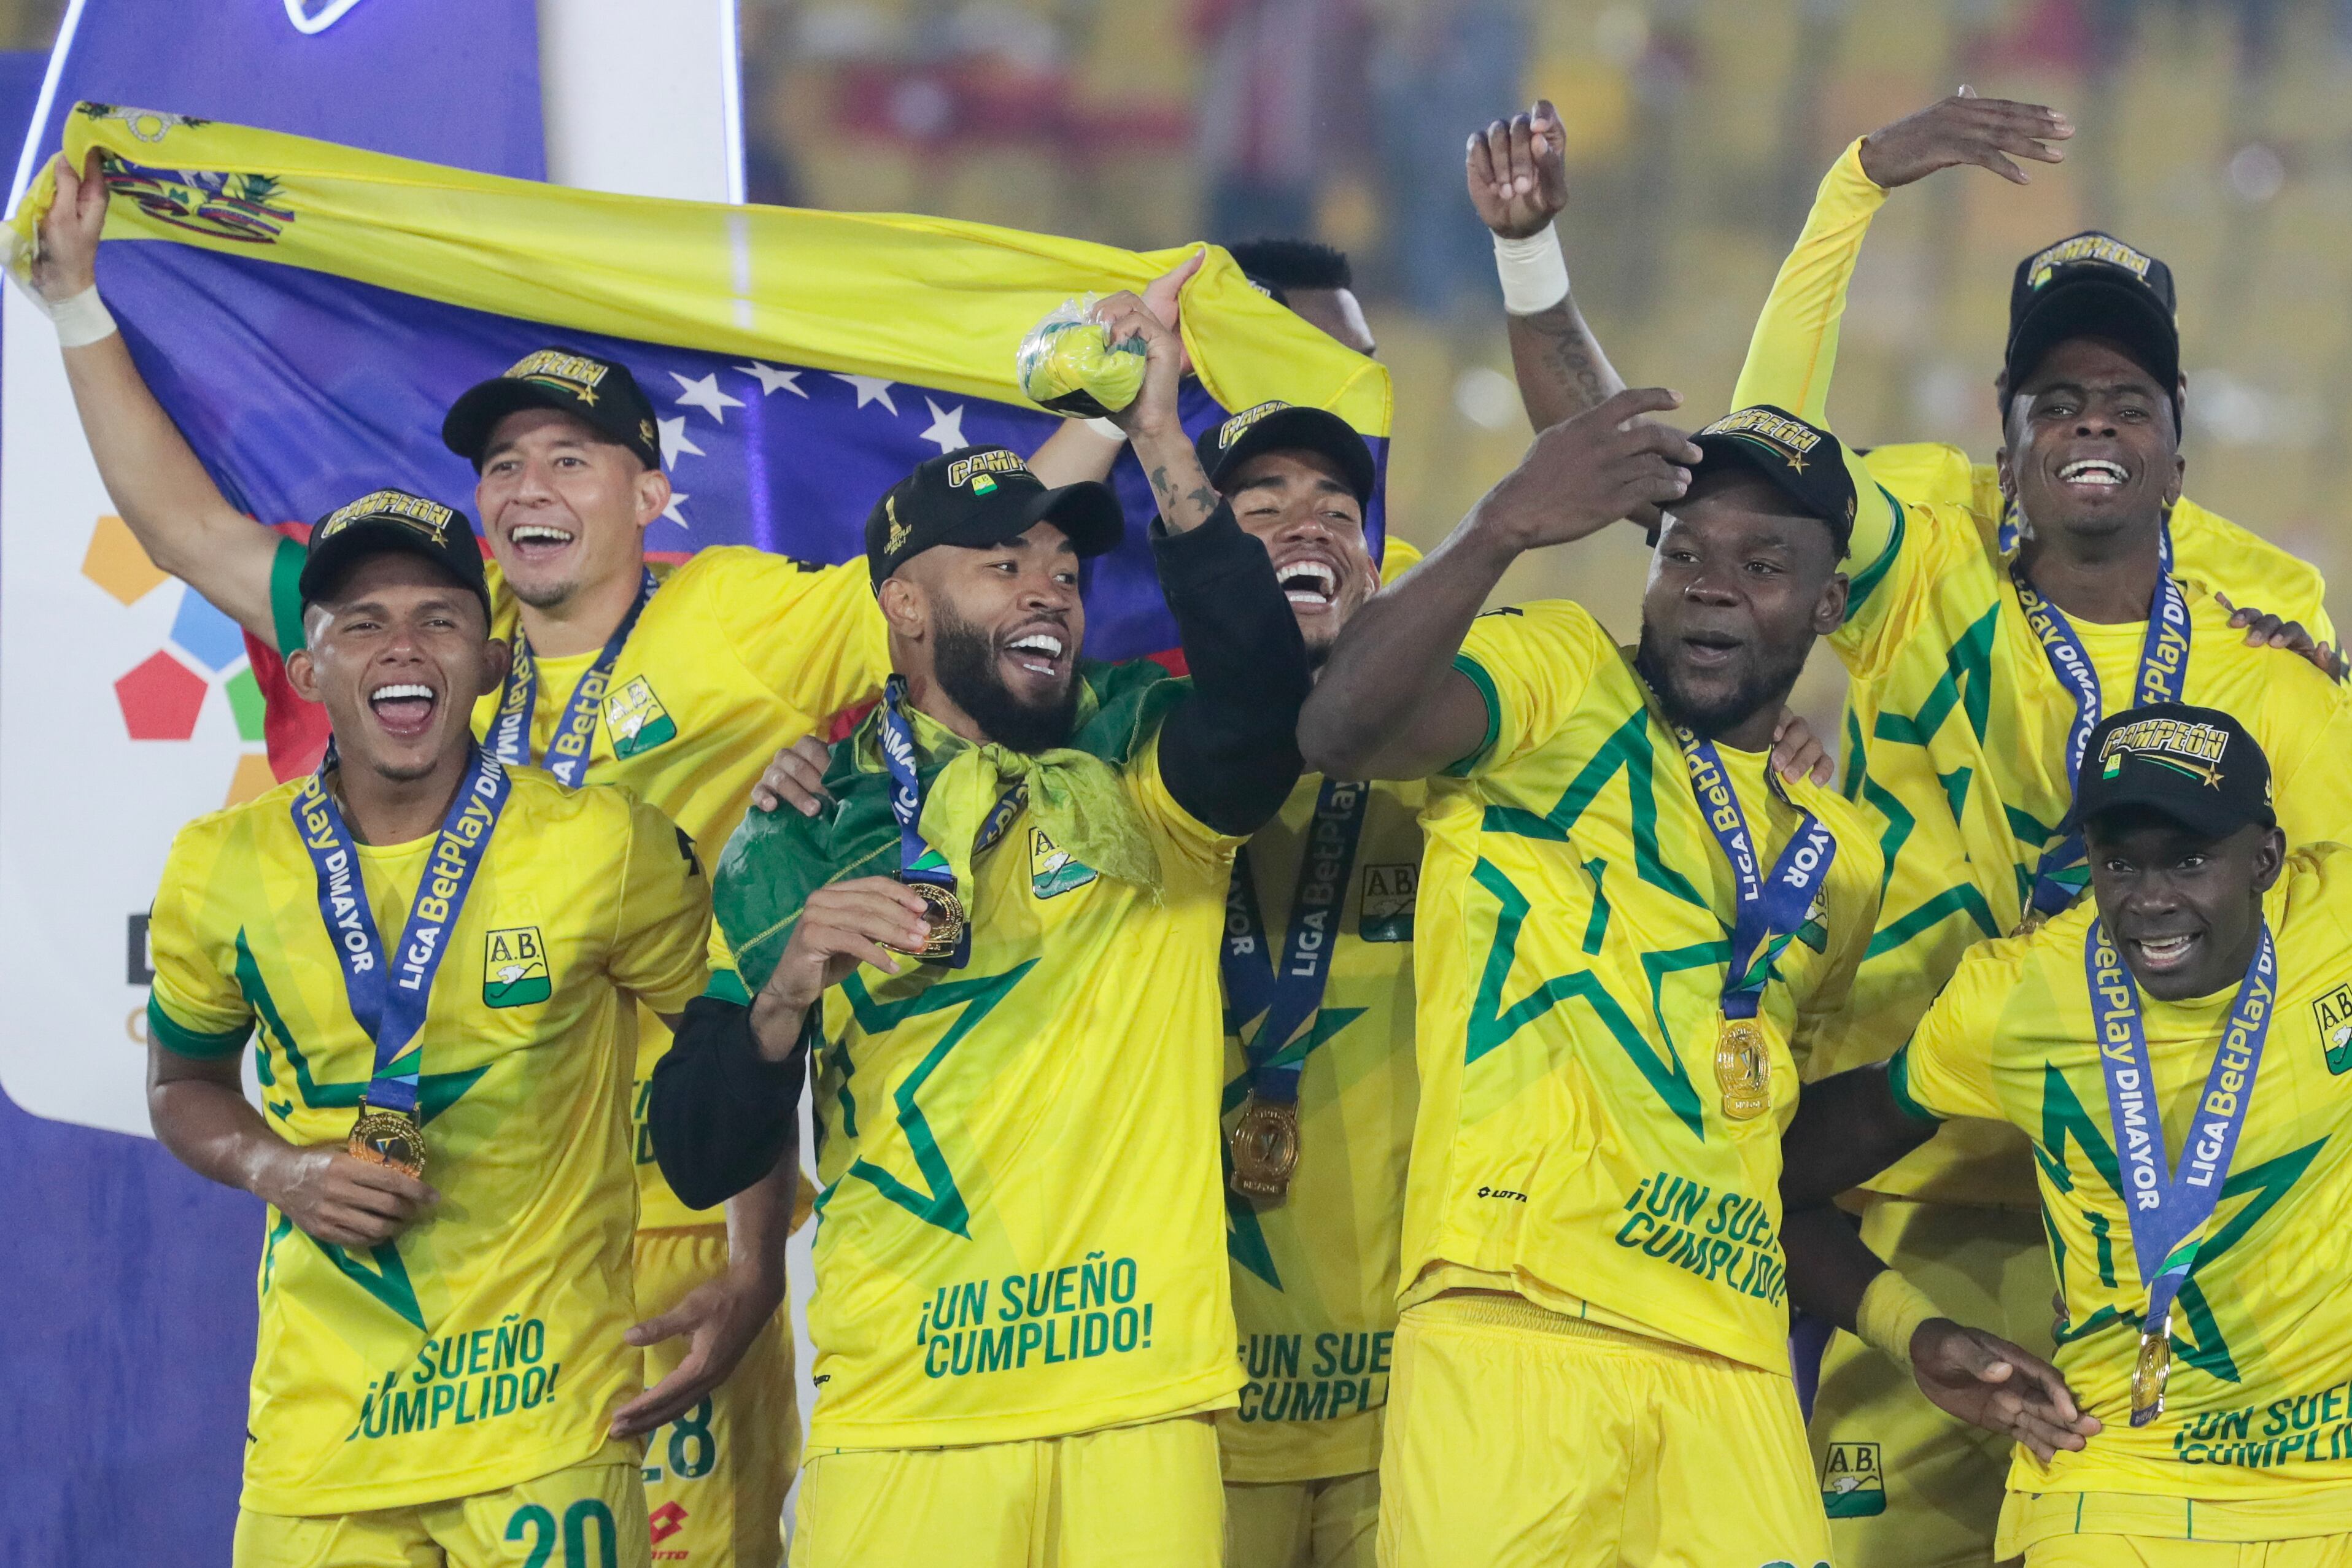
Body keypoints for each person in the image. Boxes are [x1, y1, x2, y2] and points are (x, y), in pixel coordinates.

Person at [29, 149, 864, 1566]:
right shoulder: (416, 625)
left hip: (667, 1229)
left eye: (569, 459)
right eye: (503, 465)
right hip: (437, 1279)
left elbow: (948, 582)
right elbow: (189, 530)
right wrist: (76, 312)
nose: (530, 485)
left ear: (650, 493)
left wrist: (1092, 399)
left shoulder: (738, 620)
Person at [1725, 93, 2352, 1568]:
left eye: (2126, 400)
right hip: (1916, 1176)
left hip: (2191, 1219)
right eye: (2051, 401)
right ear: (1998, 442)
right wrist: (1854, 190)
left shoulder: (2262, 644)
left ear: (2176, 449)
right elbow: (1762, 460)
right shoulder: (1920, 559)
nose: (2088, 423)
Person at [1296, 388, 2075, 1567]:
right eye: (1685, 553)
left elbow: (1761, 1153)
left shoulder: (1844, 856)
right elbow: (1341, 730)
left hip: (1735, 1363)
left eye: (1764, 562)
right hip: (1519, 1325)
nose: (1713, 583)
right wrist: (1503, 522)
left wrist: (1908, 1329)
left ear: (1826, 603)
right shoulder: (1557, 679)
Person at [644, 299, 1312, 1566]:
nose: (1050, 591)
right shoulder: (798, 826)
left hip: (1138, 1399)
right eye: (1003, 566)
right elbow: (696, 1148)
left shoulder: (1139, 744)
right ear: (904, 606)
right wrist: (788, 988)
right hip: (905, 1414)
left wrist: (1162, 439)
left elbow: (1265, 702)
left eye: (1065, 572)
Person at [143, 492, 713, 1566]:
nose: (403, 648)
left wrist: (756, 1264)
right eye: (362, 623)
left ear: (492, 662)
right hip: (324, 1440)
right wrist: (280, 1167)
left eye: (440, 619)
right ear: (308, 674)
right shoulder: (218, 864)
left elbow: (733, 1060)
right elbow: (183, 1084)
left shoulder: (607, 845)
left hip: (546, 1420)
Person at [1784, 701, 2352, 1565]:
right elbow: (1773, 1171)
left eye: (2190, 860)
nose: (2150, 900)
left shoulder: (2338, 918)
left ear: (2265, 859)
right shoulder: (2012, 998)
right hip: (2113, 1482)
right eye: (2119, 863)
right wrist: (1914, 1329)